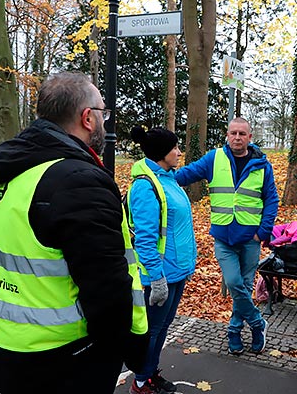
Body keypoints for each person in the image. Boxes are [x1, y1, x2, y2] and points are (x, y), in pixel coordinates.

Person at [0, 72, 148, 394]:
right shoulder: (77, 181)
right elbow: (108, 293)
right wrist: (136, 352)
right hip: (62, 363)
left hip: (3, 348)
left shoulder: (3, 169)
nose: (104, 122)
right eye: (103, 113)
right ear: (87, 118)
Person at [175, 117, 279, 355]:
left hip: (250, 238)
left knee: (243, 285)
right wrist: (161, 177)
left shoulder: (262, 165)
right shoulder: (215, 158)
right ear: (227, 135)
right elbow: (188, 174)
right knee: (234, 283)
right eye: (233, 133)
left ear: (249, 137)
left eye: (242, 134)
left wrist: (263, 232)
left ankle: (234, 331)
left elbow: (271, 199)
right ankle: (257, 322)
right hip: (223, 236)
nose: (237, 138)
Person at [127, 127, 197, 394]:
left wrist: (189, 262)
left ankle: (149, 374)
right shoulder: (146, 187)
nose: (179, 152)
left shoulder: (169, 178)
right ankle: (141, 382)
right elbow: (145, 238)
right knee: (152, 331)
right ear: (161, 153)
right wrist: (156, 278)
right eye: (175, 148)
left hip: (177, 270)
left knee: (162, 326)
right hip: (161, 274)